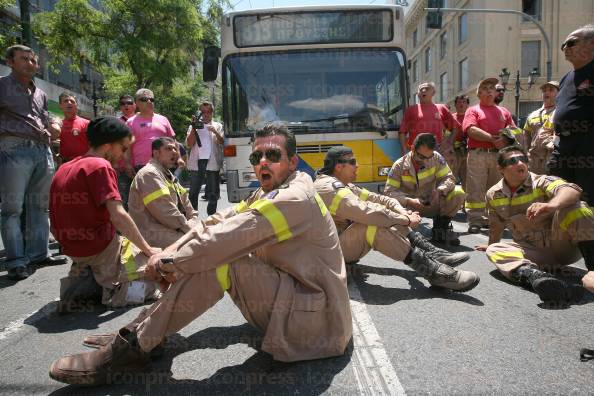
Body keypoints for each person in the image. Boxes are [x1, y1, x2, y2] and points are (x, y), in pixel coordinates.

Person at [48, 123, 352, 386]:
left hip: (318, 325)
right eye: (257, 156)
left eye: (272, 156)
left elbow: (226, 238)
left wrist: (169, 261)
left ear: (292, 162)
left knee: (220, 260)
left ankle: (131, 349)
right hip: (298, 304)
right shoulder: (269, 190)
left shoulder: (293, 197)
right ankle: (139, 332)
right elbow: (220, 220)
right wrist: (171, 253)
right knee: (205, 254)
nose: (262, 163)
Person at [314, 146, 478, 292]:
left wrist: (402, 213)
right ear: (338, 166)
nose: (357, 165)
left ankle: (431, 254)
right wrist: (404, 220)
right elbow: (366, 212)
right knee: (373, 225)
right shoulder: (329, 188)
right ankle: (433, 272)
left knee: (384, 215)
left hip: (337, 247)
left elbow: (380, 199)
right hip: (327, 256)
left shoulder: (343, 184)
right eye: (353, 161)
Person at [49, 117, 162, 311]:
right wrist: (148, 250)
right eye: (123, 148)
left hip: (71, 247)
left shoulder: (65, 167)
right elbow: (118, 215)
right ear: (109, 146)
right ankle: (110, 290)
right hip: (99, 247)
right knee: (156, 274)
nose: (123, 156)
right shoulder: (100, 166)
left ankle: (90, 278)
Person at [475, 146, 593, 303]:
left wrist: (552, 205)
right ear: (501, 169)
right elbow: (496, 224)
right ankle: (536, 277)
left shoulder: (541, 181)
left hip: (562, 247)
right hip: (534, 252)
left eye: (523, 159)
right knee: (494, 250)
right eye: (513, 161)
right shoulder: (493, 194)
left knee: (575, 207)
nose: (520, 163)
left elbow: (571, 190)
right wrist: (490, 244)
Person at [0, 44, 66, 281]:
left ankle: (39, 254)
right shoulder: (2, 86)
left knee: (39, 205)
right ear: (10, 62)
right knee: (12, 209)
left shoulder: (40, 94)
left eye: (33, 60)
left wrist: (54, 124)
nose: (30, 63)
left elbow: (46, 117)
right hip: (13, 148)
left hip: (42, 149)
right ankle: (16, 260)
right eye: (23, 59)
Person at [384, 133, 466, 245]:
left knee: (458, 192)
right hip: (409, 208)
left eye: (429, 157)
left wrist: (440, 190)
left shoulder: (436, 157)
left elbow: (449, 178)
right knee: (414, 242)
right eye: (421, 157)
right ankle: (409, 231)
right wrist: (409, 200)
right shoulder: (399, 166)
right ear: (412, 148)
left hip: (432, 202)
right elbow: (389, 192)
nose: (425, 161)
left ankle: (441, 229)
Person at [463, 77, 518, 233]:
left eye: (492, 88)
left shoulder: (504, 111)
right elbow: (470, 129)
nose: (489, 90)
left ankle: (493, 219)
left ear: (496, 92)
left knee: (497, 189)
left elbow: (514, 131)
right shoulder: (473, 110)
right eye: (485, 88)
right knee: (476, 188)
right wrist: (492, 139)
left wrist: (506, 138)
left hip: (499, 156)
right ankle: (475, 220)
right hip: (478, 155)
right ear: (479, 93)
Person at [547, 24, 594, 207]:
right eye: (563, 45)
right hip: (563, 148)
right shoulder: (567, 77)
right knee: (560, 194)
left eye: (572, 43)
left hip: (587, 147)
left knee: (586, 202)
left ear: (591, 44)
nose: (565, 47)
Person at [127, 137, 198, 248]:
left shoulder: (167, 175)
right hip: (152, 233)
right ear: (156, 153)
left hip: (170, 228)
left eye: (175, 148)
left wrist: (194, 220)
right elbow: (166, 213)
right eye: (168, 149)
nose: (174, 152)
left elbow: (187, 204)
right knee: (198, 244)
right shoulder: (149, 174)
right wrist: (190, 229)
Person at [398, 81, 460, 157]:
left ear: (433, 93)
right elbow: (402, 133)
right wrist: (404, 151)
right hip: (416, 151)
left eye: (427, 89)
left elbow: (455, 127)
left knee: (438, 169)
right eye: (421, 89)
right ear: (418, 94)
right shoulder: (411, 110)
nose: (423, 91)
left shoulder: (442, 108)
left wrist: (449, 143)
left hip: (437, 151)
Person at [186, 100, 224, 215]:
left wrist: (216, 132)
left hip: (212, 162)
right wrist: (194, 127)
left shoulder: (218, 125)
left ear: (212, 112)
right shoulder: (194, 126)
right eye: (203, 112)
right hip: (197, 162)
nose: (206, 114)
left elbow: (222, 142)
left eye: (209, 111)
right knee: (193, 192)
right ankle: (192, 218)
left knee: (213, 193)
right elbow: (189, 144)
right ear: (199, 113)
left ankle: (211, 217)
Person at [126, 89, 176, 172]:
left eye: (152, 99)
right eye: (144, 99)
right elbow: (127, 147)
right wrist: (127, 164)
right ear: (137, 103)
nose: (149, 102)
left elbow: (173, 142)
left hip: (163, 164)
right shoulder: (130, 122)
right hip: (141, 166)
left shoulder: (163, 119)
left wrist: (178, 158)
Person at [522, 81, 559, 174]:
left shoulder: (561, 113)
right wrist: (526, 153)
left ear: (559, 93)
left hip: (551, 158)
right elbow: (526, 135)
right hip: (534, 160)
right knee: (534, 186)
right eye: (544, 91)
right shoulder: (533, 115)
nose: (546, 93)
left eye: (551, 90)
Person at [115, 94, 137, 208]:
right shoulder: (116, 124)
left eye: (129, 103)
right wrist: (114, 164)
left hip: (141, 167)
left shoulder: (141, 120)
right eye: (123, 104)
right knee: (123, 200)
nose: (126, 105)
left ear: (135, 105)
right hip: (122, 168)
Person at [57, 92, 89, 163]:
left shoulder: (86, 123)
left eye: (72, 101)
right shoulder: (58, 124)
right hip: (65, 164)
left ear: (76, 105)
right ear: (60, 106)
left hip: (82, 163)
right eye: (66, 101)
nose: (69, 103)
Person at [451, 95, 469, 189]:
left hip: (468, 153)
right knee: (451, 177)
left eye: (464, 102)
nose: (461, 104)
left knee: (466, 179)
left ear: (467, 104)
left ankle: (465, 202)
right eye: (459, 102)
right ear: (455, 105)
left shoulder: (471, 117)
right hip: (454, 153)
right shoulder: (451, 118)